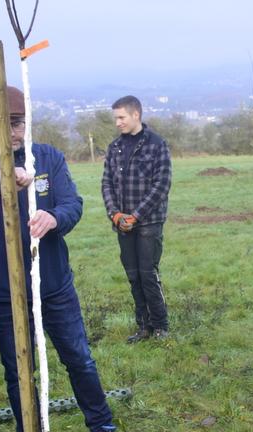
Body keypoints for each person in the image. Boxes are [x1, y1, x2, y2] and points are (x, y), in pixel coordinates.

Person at [0, 86, 121, 432]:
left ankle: (102, 427)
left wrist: (54, 217)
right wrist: (5, 179)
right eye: (6, 123)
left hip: (53, 285)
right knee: (19, 370)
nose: (15, 130)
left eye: (20, 122)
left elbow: (73, 204)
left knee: (79, 358)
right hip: (4, 291)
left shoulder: (49, 158)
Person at [101, 95, 173, 343]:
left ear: (136, 115)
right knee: (133, 276)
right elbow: (106, 184)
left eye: (121, 117)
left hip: (149, 223)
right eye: (115, 118)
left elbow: (162, 185)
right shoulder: (114, 148)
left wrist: (136, 215)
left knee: (148, 274)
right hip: (122, 225)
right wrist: (115, 214)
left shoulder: (156, 145)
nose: (117, 123)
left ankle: (161, 326)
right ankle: (143, 327)